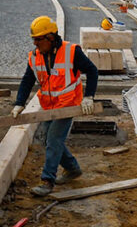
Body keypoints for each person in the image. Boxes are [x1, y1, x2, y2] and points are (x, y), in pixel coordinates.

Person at [12, 16, 99, 197]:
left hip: (68, 105)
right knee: (46, 139)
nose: (35, 44)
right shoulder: (35, 56)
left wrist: (89, 97)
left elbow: (92, 71)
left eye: (38, 39)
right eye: (33, 39)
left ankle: (47, 180)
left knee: (53, 140)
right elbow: (27, 80)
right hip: (49, 105)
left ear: (51, 38)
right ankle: (73, 169)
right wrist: (19, 103)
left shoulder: (71, 51)